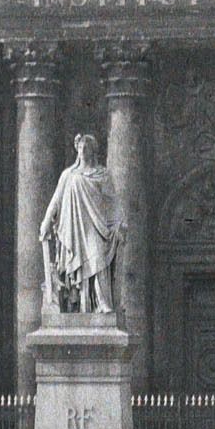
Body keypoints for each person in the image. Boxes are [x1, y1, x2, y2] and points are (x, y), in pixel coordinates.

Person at [40, 132, 126, 315]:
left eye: (86, 148)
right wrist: (46, 221)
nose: (82, 151)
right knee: (81, 267)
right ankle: (76, 305)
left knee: (98, 263)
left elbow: (113, 201)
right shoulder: (68, 175)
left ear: (93, 151)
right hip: (72, 230)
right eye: (80, 147)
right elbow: (56, 200)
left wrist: (120, 221)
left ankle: (102, 303)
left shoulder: (102, 175)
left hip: (96, 227)